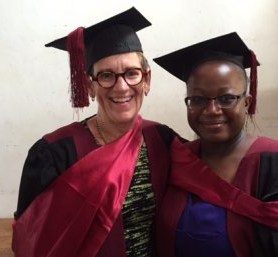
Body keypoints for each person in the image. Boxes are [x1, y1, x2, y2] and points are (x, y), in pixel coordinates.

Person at [152, 32, 278, 257]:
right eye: (198, 99)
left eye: (226, 98)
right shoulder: (176, 159)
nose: (212, 110)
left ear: (247, 103)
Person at [12, 7, 177, 257]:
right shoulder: (54, 154)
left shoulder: (163, 140)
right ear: (90, 86)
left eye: (132, 73)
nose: (121, 87)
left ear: (147, 80)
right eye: (106, 75)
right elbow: (32, 241)